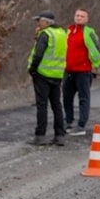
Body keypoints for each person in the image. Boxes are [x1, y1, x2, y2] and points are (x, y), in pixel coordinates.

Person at [62, 8, 100, 135]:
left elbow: (96, 49)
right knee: (66, 97)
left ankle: (81, 125)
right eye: (77, 15)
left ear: (86, 19)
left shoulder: (89, 32)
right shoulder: (69, 31)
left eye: (82, 16)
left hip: (83, 71)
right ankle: (68, 121)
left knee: (83, 98)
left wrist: (95, 67)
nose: (79, 18)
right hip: (68, 71)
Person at [27, 10, 67, 145]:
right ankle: (60, 135)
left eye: (39, 21)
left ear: (45, 22)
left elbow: (38, 54)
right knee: (57, 105)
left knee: (42, 105)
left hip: (43, 74)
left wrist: (32, 69)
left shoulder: (45, 34)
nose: (38, 23)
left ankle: (40, 135)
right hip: (57, 74)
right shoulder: (62, 33)